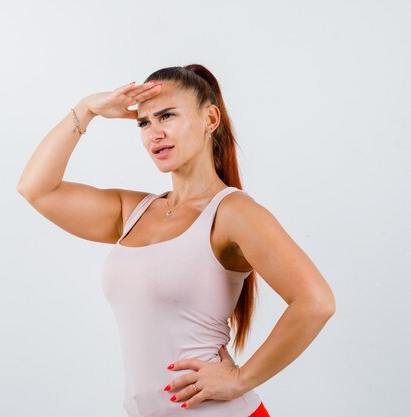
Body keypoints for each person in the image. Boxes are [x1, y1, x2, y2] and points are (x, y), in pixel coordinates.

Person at [17, 64, 335, 417]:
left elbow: (315, 301)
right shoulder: (133, 211)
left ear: (210, 119)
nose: (155, 132)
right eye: (144, 122)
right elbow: (36, 188)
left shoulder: (232, 213)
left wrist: (240, 379)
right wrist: (87, 108)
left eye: (167, 116)